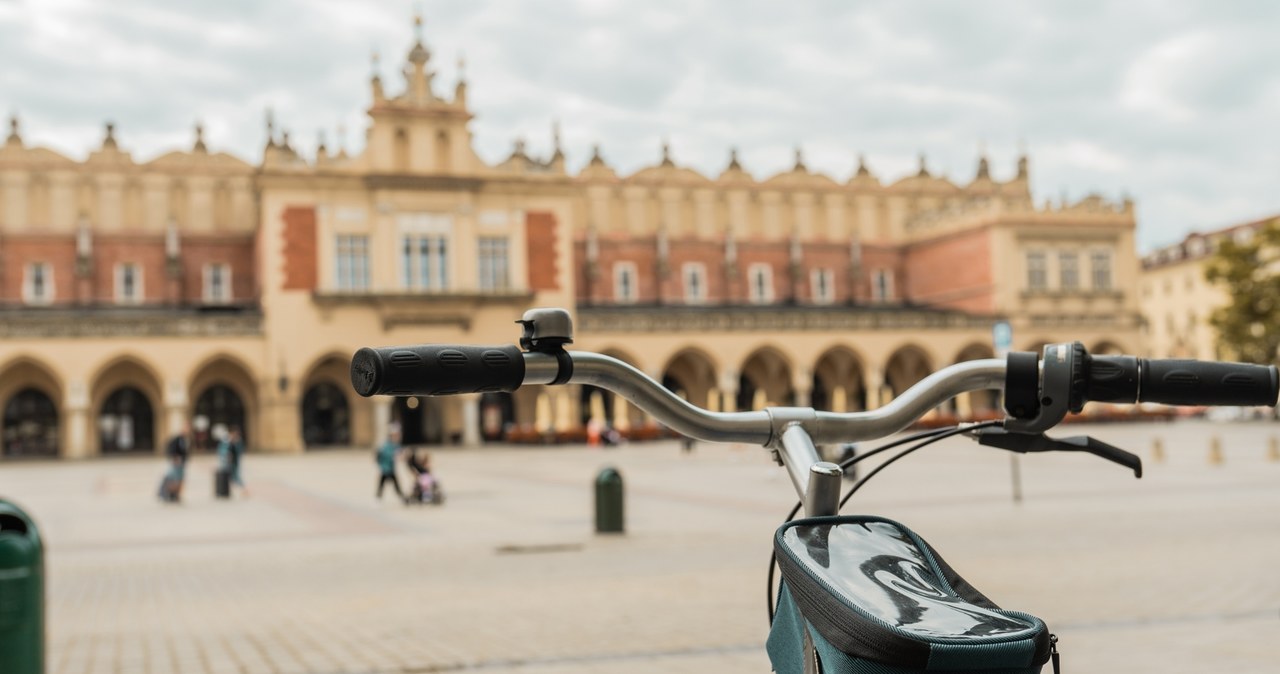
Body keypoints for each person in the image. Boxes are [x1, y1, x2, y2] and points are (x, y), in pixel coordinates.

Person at [157, 421, 191, 503]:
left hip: (182, 463)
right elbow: (170, 449)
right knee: (174, 479)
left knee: (180, 479)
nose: (188, 430)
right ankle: (169, 494)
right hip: (176, 463)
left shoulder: (186, 439)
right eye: (186, 428)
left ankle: (176, 495)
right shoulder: (177, 439)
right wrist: (174, 458)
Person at [218, 426, 250, 498]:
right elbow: (221, 450)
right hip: (227, 462)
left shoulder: (238, 441)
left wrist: (236, 442)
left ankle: (244, 490)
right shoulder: (226, 440)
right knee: (230, 477)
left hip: (235, 462)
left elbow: (240, 450)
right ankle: (230, 491)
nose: (235, 435)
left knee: (236, 477)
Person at [375, 430, 406, 502]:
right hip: (385, 468)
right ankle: (378, 497)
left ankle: (401, 496)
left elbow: (400, 453)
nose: (397, 438)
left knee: (395, 483)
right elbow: (384, 455)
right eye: (395, 436)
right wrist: (394, 456)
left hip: (391, 468)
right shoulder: (386, 445)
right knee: (383, 483)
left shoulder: (396, 445)